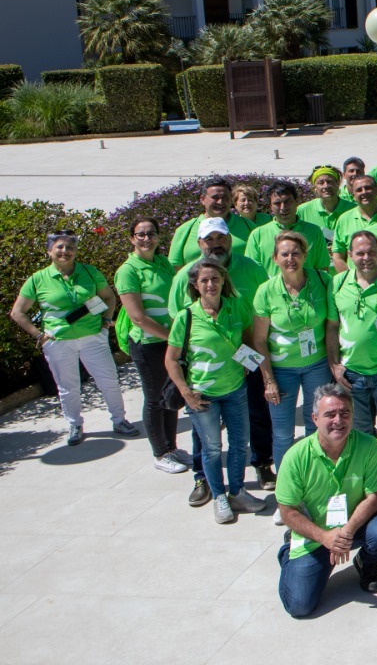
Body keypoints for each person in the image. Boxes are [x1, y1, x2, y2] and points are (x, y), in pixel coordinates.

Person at [275, 383, 377, 616]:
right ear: (314, 418)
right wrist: (324, 537)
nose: (338, 420)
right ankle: (288, 553)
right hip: (317, 533)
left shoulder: (368, 445)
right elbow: (287, 511)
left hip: (353, 526)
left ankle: (366, 562)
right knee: (299, 607)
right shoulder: (295, 457)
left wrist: (346, 532)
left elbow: (375, 497)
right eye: (330, 414)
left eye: (345, 413)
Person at [165, 258, 274, 523]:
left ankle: (237, 492)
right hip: (202, 394)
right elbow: (171, 359)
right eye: (204, 280)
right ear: (195, 284)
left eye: (215, 278)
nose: (210, 284)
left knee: (239, 445)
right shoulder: (186, 316)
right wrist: (185, 392)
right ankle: (218, 496)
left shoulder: (237, 307)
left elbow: (249, 340)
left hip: (235, 389)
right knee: (212, 448)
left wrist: (250, 366)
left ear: (224, 280)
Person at [11, 230, 136, 446]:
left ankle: (119, 420)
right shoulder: (38, 279)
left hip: (93, 338)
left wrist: (107, 321)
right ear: (49, 251)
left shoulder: (89, 272)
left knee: (109, 381)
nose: (65, 251)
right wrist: (39, 335)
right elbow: (17, 312)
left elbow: (108, 296)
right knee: (68, 387)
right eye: (59, 247)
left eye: (70, 247)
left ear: (76, 250)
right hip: (58, 342)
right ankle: (75, 424)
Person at [252, 231, 338, 474]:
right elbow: (259, 341)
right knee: (282, 433)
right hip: (281, 370)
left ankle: (315, 478)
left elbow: (332, 325)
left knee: (317, 426)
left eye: (296, 253)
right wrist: (268, 380)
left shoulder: (323, 281)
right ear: (275, 258)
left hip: (317, 365)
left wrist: (333, 362)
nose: (291, 258)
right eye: (285, 254)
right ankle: (286, 489)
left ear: (305, 255)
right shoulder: (266, 291)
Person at [114, 217, 183, 469]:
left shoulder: (163, 262)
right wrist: (173, 338)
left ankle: (172, 447)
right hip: (148, 344)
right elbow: (138, 317)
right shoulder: (128, 271)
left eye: (151, 233)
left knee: (172, 393)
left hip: (169, 341)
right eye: (140, 234)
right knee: (155, 398)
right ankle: (160, 454)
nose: (146, 238)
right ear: (132, 238)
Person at [330, 230, 377, 436]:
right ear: (350, 254)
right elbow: (331, 326)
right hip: (352, 375)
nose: (366, 258)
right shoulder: (338, 282)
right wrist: (335, 364)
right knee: (360, 435)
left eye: (371, 252)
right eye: (360, 253)